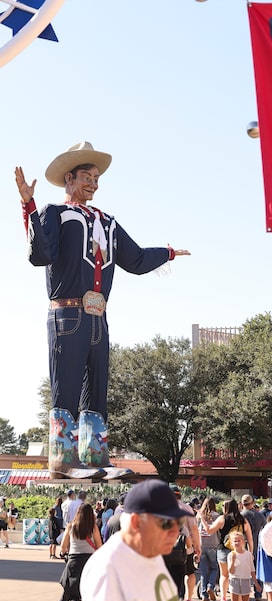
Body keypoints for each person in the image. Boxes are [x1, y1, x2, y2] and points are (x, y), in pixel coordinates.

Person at [15, 142, 190, 477]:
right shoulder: (55, 213)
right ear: (69, 178)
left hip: (99, 316)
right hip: (67, 314)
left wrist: (167, 253)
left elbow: (135, 259)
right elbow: (40, 254)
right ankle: (64, 462)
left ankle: (94, 458)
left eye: (96, 177)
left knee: (97, 389)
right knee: (65, 386)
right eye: (86, 176)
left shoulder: (107, 221)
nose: (93, 183)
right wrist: (29, 205)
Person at [80, 478, 194, 601]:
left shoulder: (151, 555)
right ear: (136, 522)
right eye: (166, 523)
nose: (175, 531)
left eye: (178, 522)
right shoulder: (109, 569)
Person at [197, 498, 253, 601]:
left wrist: (202, 519)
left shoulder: (222, 519)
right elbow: (250, 539)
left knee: (224, 575)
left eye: (223, 506)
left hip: (223, 549)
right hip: (239, 551)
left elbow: (209, 531)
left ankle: (223, 598)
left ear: (226, 507)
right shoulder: (243, 520)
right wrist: (250, 553)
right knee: (238, 577)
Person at [58, 502, 102, 601]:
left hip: (74, 562)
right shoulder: (93, 528)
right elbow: (99, 546)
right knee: (90, 591)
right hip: (90, 562)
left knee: (74, 594)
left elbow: (63, 547)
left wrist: (63, 553)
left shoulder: (71, 526)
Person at [169, 485, 201, 601]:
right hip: (184, 547)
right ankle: (188, 599)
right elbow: (194, 529)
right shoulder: (186, 508)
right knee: (190, 573)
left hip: (165, 548)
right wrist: (197, 546)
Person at [241, 494, 266, 601]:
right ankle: (258, 593)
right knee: (257, 570)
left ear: (242, 504)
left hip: (242, 546)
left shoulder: (240, 515)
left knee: (243, 571)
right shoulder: (259, 515)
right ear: (252, 503)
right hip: (257, 546)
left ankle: (244, 594)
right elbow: (265, 529)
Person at [228, 531, 261, 601]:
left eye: (239, 540)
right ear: (232, 543)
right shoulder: (231, 555)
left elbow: (252, 570)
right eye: (235, 541)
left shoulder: (248, 555)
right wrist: (232, 561)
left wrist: (256, 583)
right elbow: (230, 571)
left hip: (245, 580)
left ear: (243, 542)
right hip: (234, 580)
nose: (237, 543)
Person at [197, 496, 220, 601]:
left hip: (202, 545)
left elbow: (196, 529)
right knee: (214, 568)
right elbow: (219, 531)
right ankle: (211, 586)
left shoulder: (199, 516)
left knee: (204, 571)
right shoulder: (216, 516)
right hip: (213, 545)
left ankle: (203, 594)